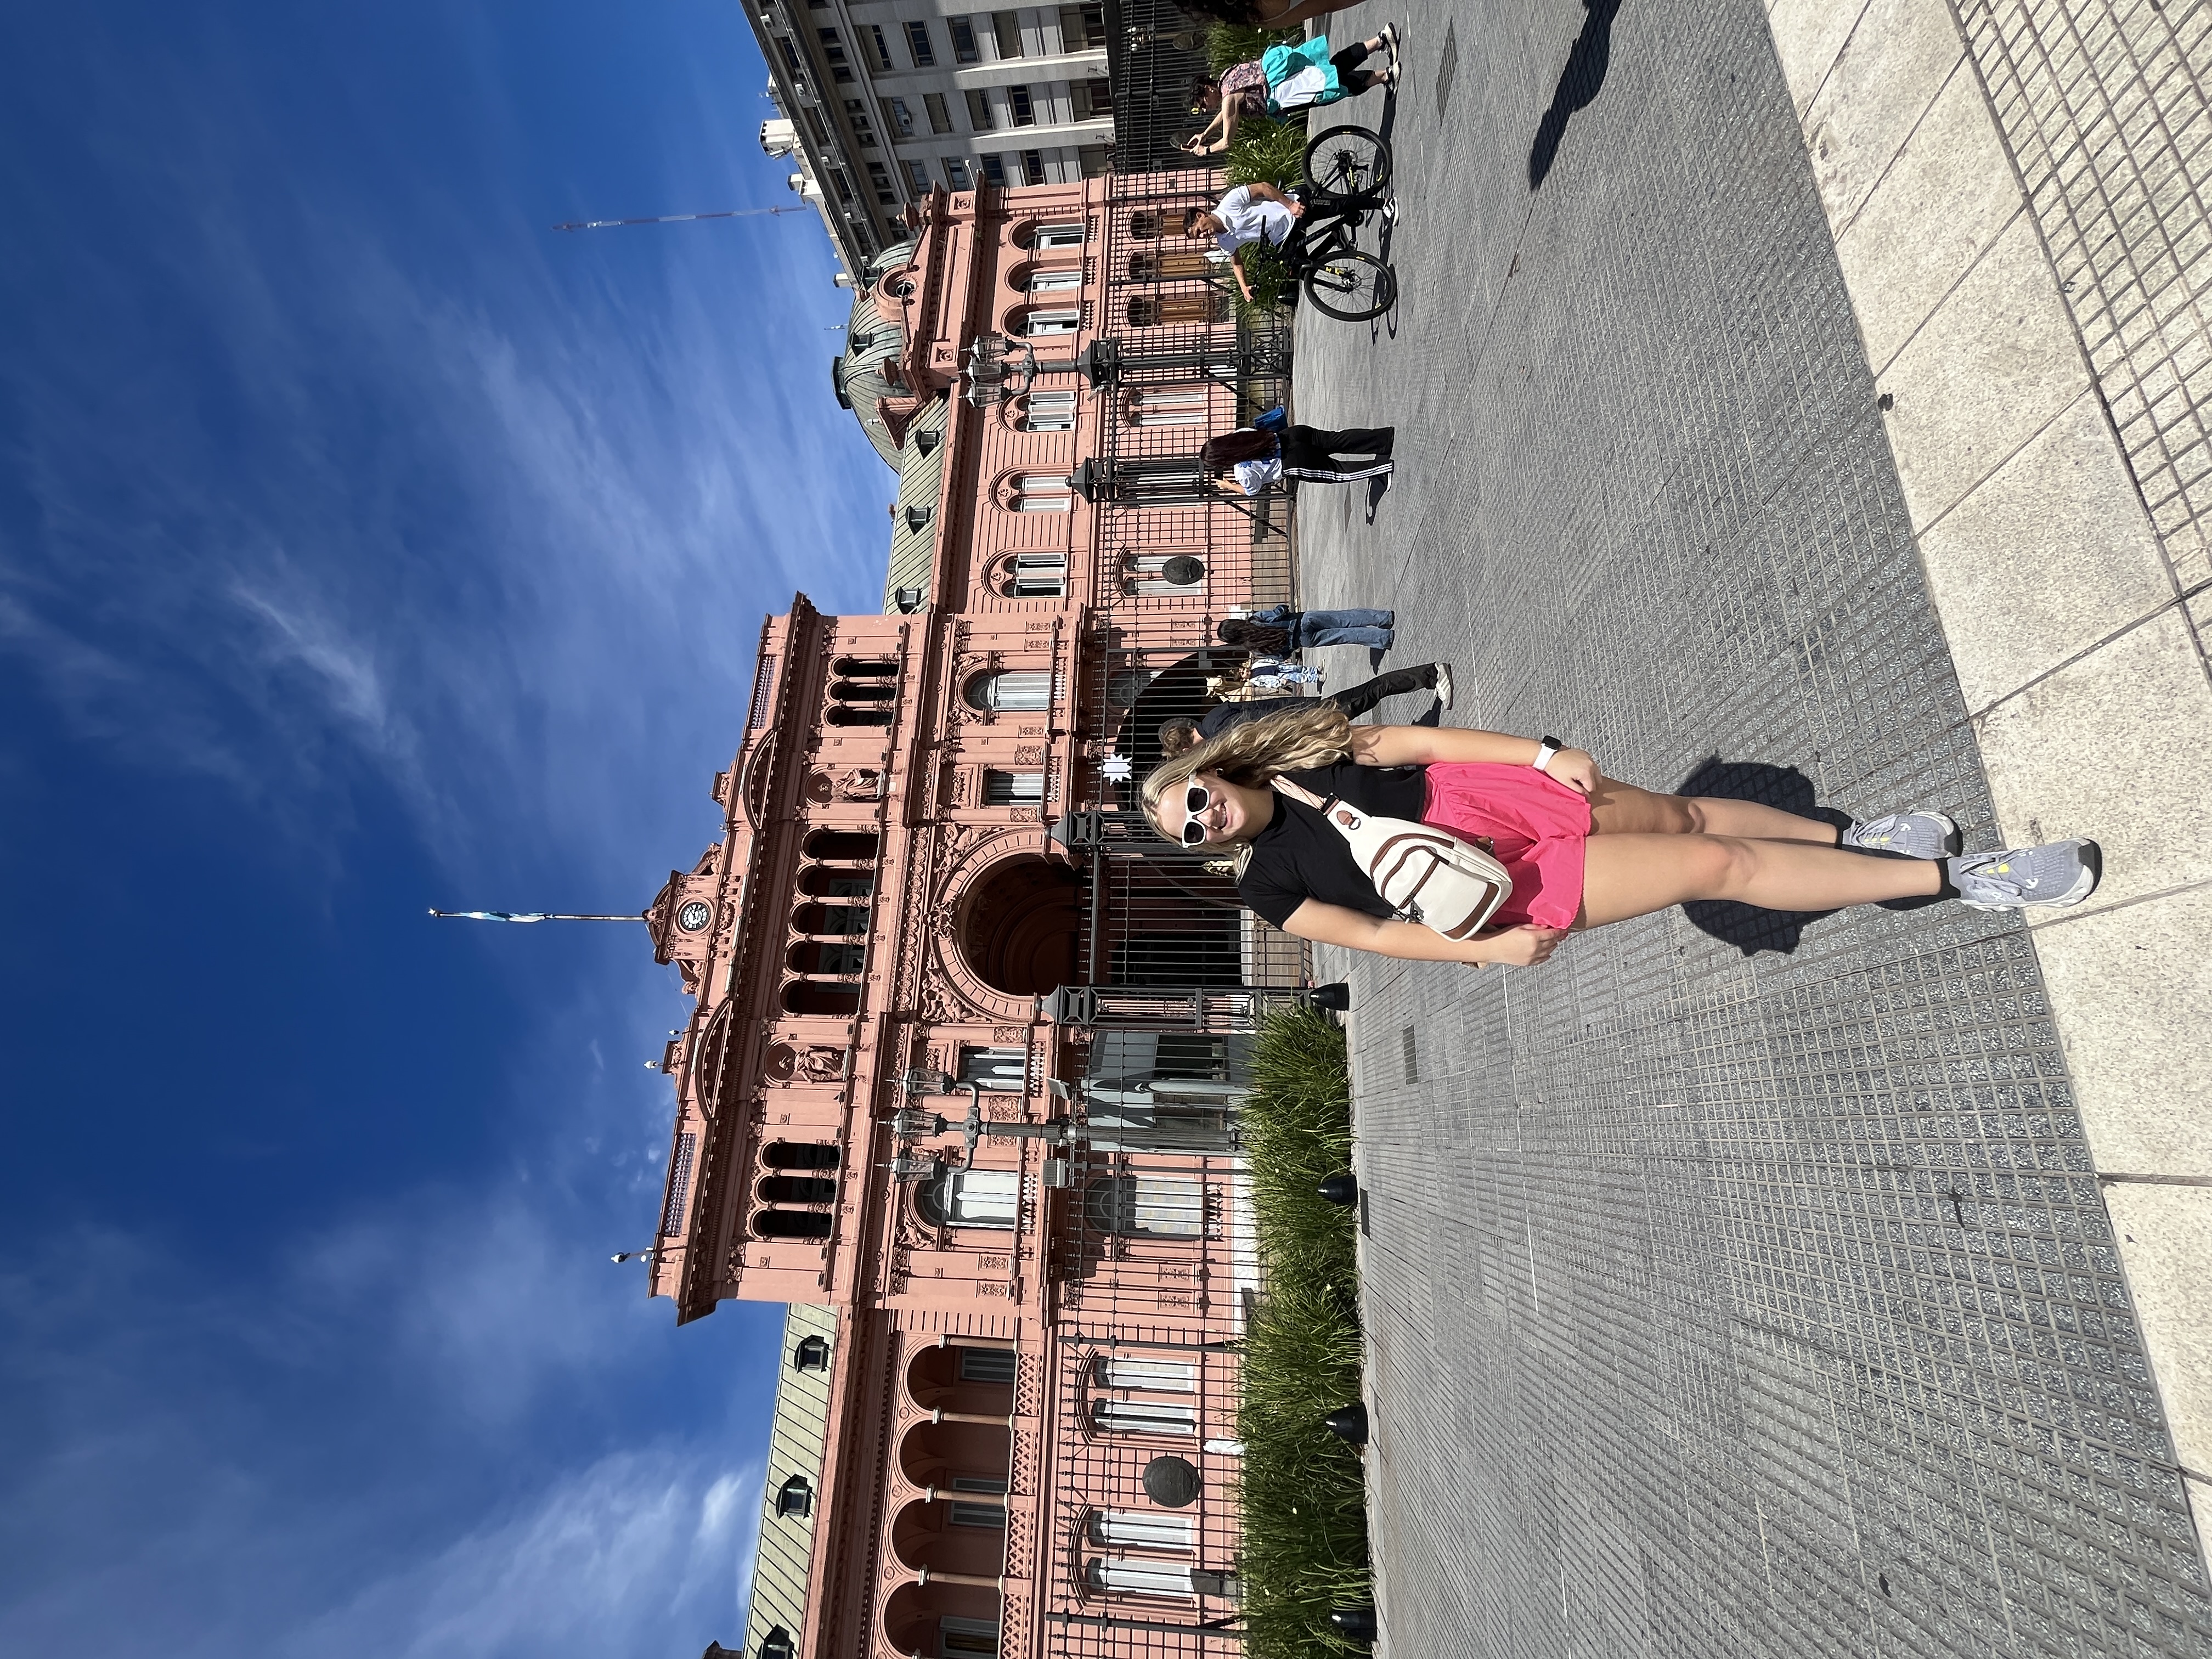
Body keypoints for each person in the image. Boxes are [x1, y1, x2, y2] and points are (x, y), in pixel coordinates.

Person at [1139, 704, 2102, 968]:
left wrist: (1542, 752)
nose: (1201, 816)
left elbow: (1418, 739)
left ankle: (1857, 839)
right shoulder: (1264, 889)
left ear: (1209, 771)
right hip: (1487, 891)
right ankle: (1962, 877)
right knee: (1711, 863)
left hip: (1485, 798)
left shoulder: (1301, 743)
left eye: (1191, 796)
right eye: (1188, 829)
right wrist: (1489, 951)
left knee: (1689, 815)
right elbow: (1378, 935)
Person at [1181, 27, 1397, 155]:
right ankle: (1383, 64)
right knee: (1332, 74)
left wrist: (1207, 150)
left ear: (1209, 90)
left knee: (1332, 81)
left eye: (1203, 103)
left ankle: (1382, 50)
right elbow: (1227, 113)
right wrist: (1205, 134)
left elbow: (1228, 140)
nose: (1206, 107)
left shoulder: (1228, 98)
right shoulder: (1227, 78)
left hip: (1286, 91)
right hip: (1281, 73)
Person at [1158, 663, 1452, 757]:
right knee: (1365, 706)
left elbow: (1266, 725)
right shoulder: (1214, 719)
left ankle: (1430, 674)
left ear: (1185, 747)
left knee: (1369, 694)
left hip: (1306, 719)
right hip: (1304, 716)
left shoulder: (1219, 731)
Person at [1184, 177, 1392, 304]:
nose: (1204, 236)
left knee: (1339, 206)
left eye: (1199, 231)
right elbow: (1236, 262)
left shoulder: (1229, 202)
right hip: (1283, 237)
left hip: (1292, 211)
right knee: (1302, 270)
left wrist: (1291, 204)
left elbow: (1264, 188)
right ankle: (1335, 236)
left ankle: (1383, 203)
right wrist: (1243, 287)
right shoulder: (1225, 241)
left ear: (1201, 216)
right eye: (1199, 238)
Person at [1203, 425, 1393, 494]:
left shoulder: (1242, 471)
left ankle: (1381, 468)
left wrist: (1229, 486)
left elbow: (1252, 490)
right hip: (1292, 435)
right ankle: (1382, 439)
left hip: (1293, 462)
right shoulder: (1240, 434)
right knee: (1338, 440)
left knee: (1336, 472)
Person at [1221, 608, 1395, 652]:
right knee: (1346, 618)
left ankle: (1383, 639)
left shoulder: (1254, 647)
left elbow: (1281, 655)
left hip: (1303, 641)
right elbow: (1280, 612)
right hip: (1302, 621)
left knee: (1345, 636)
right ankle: (1384, 618)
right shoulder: (1255, 619)